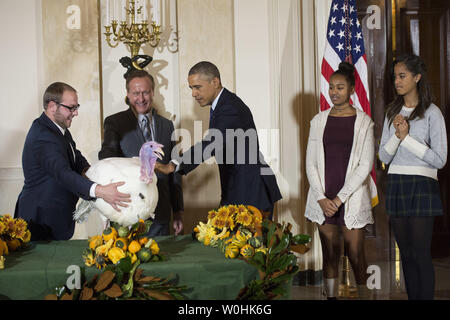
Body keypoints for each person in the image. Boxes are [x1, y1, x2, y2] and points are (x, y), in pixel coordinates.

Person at [156, 61, 282, 217]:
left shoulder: (229, 107)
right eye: (191, 88)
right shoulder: (222, 104)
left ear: (215, 82)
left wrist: (174, 165)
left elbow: (212, 143)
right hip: (239, 188)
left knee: (251, 241)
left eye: (197, 87)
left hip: (252, 190)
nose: (194, 94)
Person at [14, 82, 131, 241]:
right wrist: (101, 191)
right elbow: (63, 174)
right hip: (40, 221)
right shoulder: (43, 135)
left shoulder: (58, 129)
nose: (75, 113)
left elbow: (75, 156)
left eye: (77, 107)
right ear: (52, 106)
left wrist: (93, 173)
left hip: (56, 218)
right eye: (71, 108)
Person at [304, 62, 376, 300]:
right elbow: (310, 163)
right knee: (330, 254)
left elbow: (365, 166)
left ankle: (366, 297)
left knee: (356, 255)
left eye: (340, 87)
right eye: (331, 87)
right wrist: (322, 198)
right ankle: (331, 298)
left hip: (351, 196)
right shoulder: (318, 120)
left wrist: (339, 198)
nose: (334, 92)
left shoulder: (365, 122)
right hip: (323, 196)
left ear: (352, 90)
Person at [379, 54, 447, 300]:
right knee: (405, 254)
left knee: (420, 253)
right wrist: (397, 136)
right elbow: (383, 156)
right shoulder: (392, 112)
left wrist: (407, 138)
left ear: (417, 78)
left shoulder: (432, 113)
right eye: (395, 76)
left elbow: (440, 159)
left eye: (402, 76)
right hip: (397, 183)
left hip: (422, 185)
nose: (397, 81)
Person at [98, 69, 184, 236]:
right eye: (136, 93)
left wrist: (178, 210)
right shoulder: (114, 122)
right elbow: (106, 158)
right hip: (128, 211)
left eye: (145, 92)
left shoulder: (167, 126)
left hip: (161, 213)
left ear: (153, 92)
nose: (141, 98)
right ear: (128, 94)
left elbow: (174, 170)